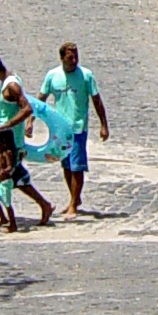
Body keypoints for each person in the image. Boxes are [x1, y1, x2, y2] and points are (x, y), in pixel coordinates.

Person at [0, 55, 53, 227]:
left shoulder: (12, 85)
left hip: (10, 142)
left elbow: (27, 108)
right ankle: (44, 205)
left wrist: (7, 125)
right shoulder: (8, 82)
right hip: (5, 140)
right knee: (17, 178)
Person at [39, 41, 109, 216]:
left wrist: (103, 125)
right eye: (70, 57)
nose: (74, 60)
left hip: (78, 128)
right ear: (62, 58)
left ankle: (73, 205)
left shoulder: (86, 75)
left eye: (76, 56)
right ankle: (74, 198)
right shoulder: (52, 76)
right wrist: (31, 121)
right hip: (60, 130)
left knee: (77, 166)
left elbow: (96, 100)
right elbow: (41, 99)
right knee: (67, 166)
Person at [0, 139, 18, 233]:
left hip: (5, 182)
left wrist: (4, 171)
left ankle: (13, 225)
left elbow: (10, 166)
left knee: (7, 204)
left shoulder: (6, 153)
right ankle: (2, 218)